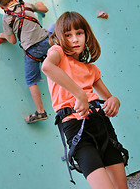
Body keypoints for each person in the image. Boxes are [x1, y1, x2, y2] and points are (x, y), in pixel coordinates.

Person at [42, 11, 128, 189]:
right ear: (60, 37)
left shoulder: (91, 69)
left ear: (86, 35)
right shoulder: (58, 55)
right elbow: (46, 66)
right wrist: (79, 94)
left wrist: (114, 100)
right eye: (68, 35)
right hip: (77, 130)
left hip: (102, 126)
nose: (74, 39)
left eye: (79, 33)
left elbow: (108, 97)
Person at [0, 0, 54, 123]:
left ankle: (40, 112)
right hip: (47, 41)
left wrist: (4, 35)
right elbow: (44, 9)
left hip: (32, 51)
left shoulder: (6, 18)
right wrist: (39, 5)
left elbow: (13, 40)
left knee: (31, 82)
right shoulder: (26, 5)